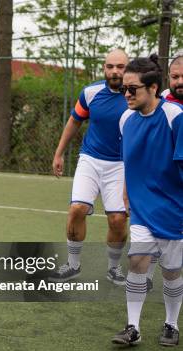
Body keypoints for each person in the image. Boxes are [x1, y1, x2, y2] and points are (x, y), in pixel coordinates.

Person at [111, 55, 182, 347]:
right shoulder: (125, 119)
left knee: (171, 272)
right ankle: (133, 326)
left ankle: (170, 324)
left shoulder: (175, 118)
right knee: (137, 262)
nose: (126, 94)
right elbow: (131, 161)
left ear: (153, 88)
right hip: (141, 210)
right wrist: (127, 193)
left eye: (133, 89)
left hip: (174, 211)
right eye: (124, 88)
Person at [49, 49, 129, 285]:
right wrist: (59, 153)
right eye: (110, 66)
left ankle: (114, 268)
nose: (115, 71)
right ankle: (73, 265)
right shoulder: (90, 93)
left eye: (120, 67)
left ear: (128, 68)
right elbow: (74, 121)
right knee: (76, 210)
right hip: (90, 160)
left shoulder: (136, 96)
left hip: (121, 165)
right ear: (104, 68)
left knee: (117, 220)